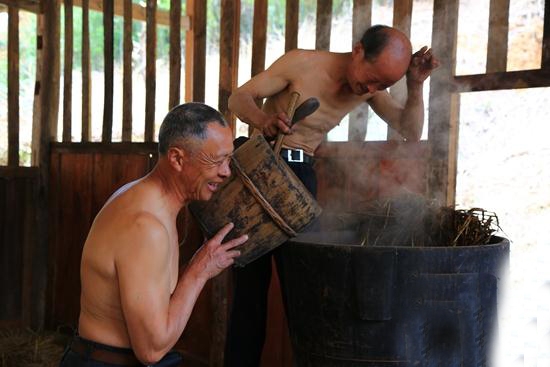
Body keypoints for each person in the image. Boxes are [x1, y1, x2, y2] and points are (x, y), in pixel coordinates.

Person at [224, 24, 440, 366]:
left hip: (302, 177)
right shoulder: (302, 64)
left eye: (381, 86)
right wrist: (263, 119)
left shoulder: (368, 88)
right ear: (357, 51)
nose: (370, 89)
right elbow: (239, 97)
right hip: (264, 169)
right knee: (251, 289)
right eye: (371, 79)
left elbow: (410, 131)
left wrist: (415, 85)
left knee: (305, 286)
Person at [59, 103, 248, 367]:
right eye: (216, 160)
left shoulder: (144, 197)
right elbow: (151, 349)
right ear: (177, 159)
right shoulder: (145, 227)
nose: (226, 171)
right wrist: (200, 270)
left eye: (228, 159)